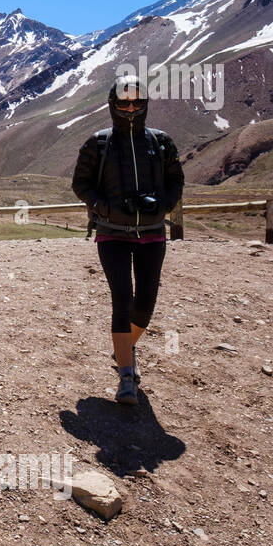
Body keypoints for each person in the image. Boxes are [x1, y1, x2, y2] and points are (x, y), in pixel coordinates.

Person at [71, 75, 184, 406]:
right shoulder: (99, 144)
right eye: (124, 103)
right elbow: (81, 184)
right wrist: (105, 206)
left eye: (137, 102)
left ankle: (124, 346)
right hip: (112, 234)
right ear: (113, 105)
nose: (131, 108)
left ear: (145, 103)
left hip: (151, 233)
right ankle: (126, 373)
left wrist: (162, 205)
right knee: (122, 298)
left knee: (145, 303)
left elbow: (177, 181)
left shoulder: (162, 142)